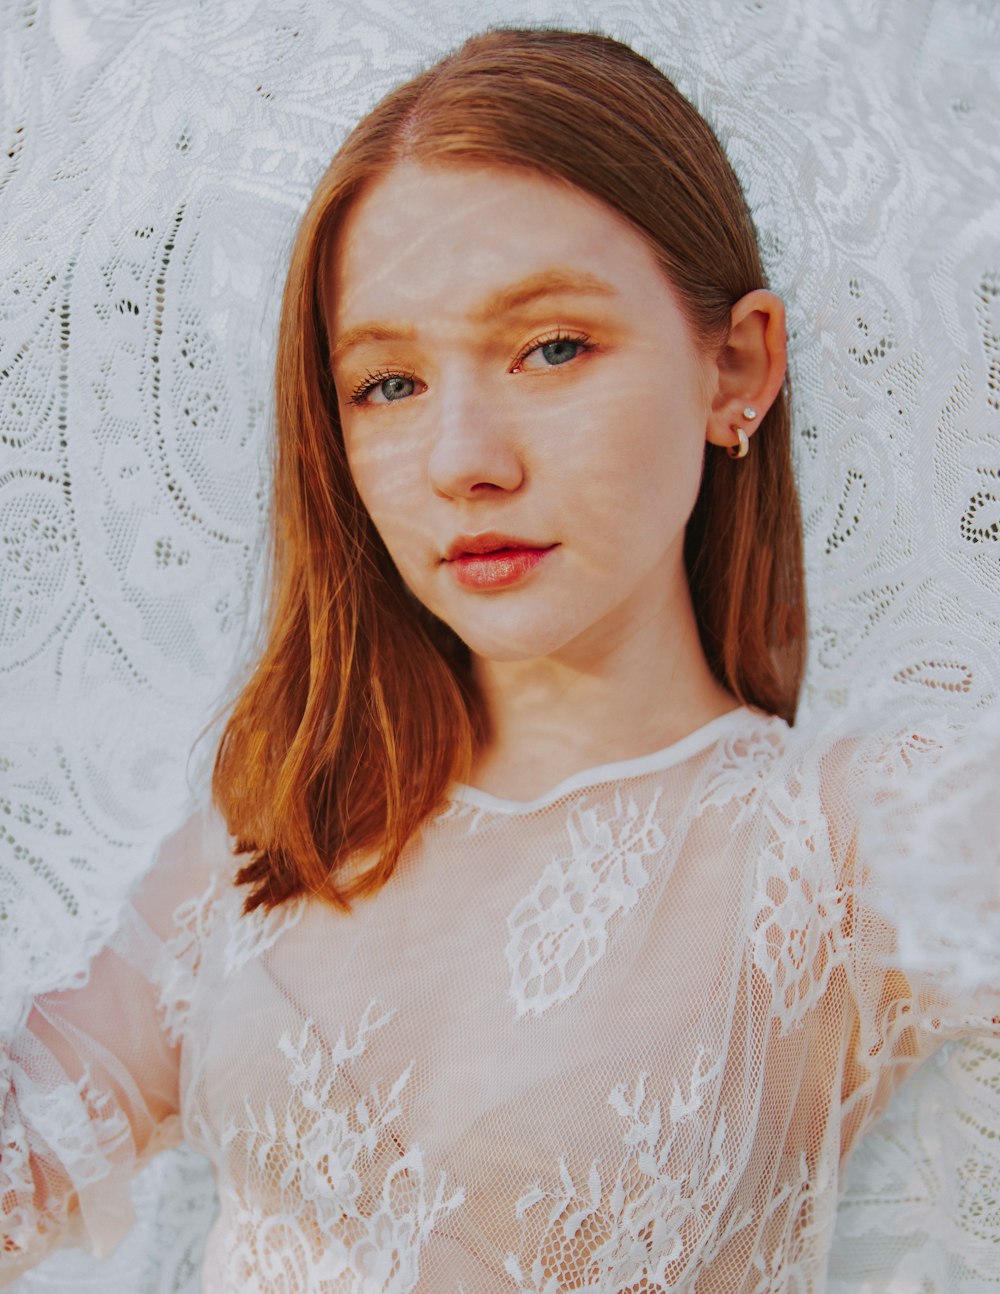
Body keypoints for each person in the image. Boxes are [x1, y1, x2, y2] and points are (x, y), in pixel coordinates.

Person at [1, 26, 996, 1293]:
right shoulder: (275, 834)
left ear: (734, 365)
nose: (462, 458)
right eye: (388, 382)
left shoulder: (839, 840)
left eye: (551, 348)